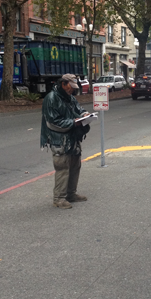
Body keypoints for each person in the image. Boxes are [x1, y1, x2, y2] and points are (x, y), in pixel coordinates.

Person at [40, 73, 90, 209]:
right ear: (63, 84)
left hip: (72, 137)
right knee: (62, 168)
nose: (72, 89)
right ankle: (59, 198)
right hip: (59, 139)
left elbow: (78, 109)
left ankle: (70, 194)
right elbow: (52, 122)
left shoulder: (69, 97)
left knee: (75, 166)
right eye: (70, 87)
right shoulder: (51, 99)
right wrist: (74, 122)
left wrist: (84, 114)